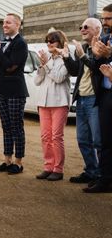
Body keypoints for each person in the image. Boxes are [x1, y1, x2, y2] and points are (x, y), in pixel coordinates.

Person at [0, 13, 29, 175]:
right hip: (2, 90)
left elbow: (11, 67)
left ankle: (18, 163)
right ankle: (7, 160)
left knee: (16, 126)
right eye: (4, 22)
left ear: (17, 25)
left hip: (15, 91)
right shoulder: (5, 44)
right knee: (6, 127)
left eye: (8, 23)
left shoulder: (20, 43)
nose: (4, 25)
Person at [64, 17, 103, 184]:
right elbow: (74, 72)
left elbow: (98, 69)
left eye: (86, 27)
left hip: (95, 99)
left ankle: (103, 176)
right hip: (81, 99)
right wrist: (67, 57)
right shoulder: (83, 48)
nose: (82, 29)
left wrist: (82, 57)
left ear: (97, 29)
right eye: (81, 27)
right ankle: (91, 171)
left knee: (98, 141)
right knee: (82, 140)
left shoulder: (101, 46)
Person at [33, 30, 71, 181]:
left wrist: (46, 64)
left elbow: (59, 77)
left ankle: (58, 169)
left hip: (59, 102)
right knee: (45, 136)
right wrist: (42, 66)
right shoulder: (46, 58)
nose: (49, 44)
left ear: (59, 43)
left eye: (52, 41)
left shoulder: (65, 59)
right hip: (43, 103)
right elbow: (37, 81)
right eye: (47, 41)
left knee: (56, 136)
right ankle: (48, 166)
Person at [84, 14, 112, 193]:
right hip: (106, 94)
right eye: (103, 18)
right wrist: (98, 56)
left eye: (108, 18)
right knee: (106, 140)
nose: (104, 22)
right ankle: (106, 179)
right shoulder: (105, 39)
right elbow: (97, 68)